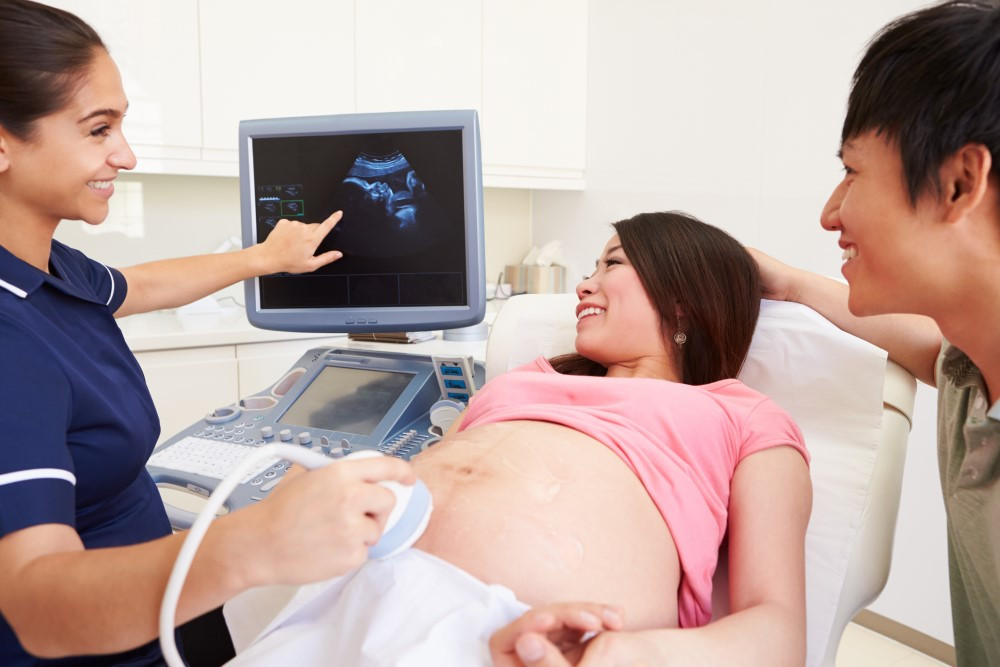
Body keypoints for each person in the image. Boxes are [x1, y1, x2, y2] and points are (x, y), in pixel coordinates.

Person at [0, 2, 414, 665]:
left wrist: (264, 258)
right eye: (99, 129)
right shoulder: (8, 339)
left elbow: (140, 285)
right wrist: (258, 539)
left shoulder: (51, 270)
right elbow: (37, 607)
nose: (125, 155)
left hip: (159, 621)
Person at [229, 211, 813, 667]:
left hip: (529, 642)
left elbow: (777, 628)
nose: (585, 284)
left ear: (683, 298)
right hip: (347, 598)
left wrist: (648, 654)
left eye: (611, 264)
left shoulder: (741, 415)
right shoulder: (526, 380)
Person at [748, 2, 1000, 664]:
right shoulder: (972, 368)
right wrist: (793, 284)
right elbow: (932, 350)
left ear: (958, 184)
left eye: (853, 170)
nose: (830, 212)